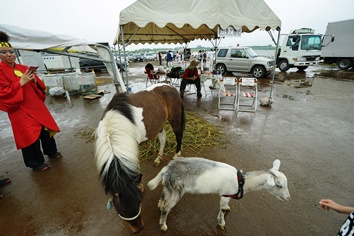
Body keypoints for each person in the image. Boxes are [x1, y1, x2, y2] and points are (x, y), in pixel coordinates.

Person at [0, 31, 61, 171]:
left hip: (36, 106)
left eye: (11, 51)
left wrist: (34, 81)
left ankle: (51, 151)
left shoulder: (23, 68)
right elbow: (2, 93)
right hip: (19, 109)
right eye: (3, 52)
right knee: (29, 135)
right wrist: (20, 83)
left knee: (45, 130)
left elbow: (40, 86)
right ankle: (35, 162)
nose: (9, 54)